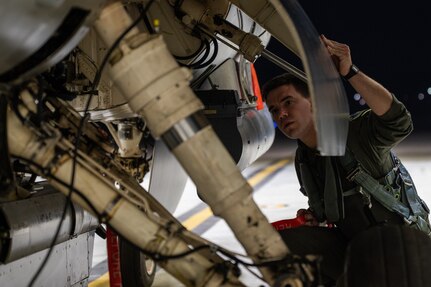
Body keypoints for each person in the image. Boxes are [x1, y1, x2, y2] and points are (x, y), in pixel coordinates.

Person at [261, 35, 430, 285]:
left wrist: (350, 72)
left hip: (400, 246)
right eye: (274, 109)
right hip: (359, 248)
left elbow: (399, 122)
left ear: (314, 103)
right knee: (277, 244)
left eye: (288, 102)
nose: (281, 113)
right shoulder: (305, 159)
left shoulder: (354, 133)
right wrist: (316, 216)